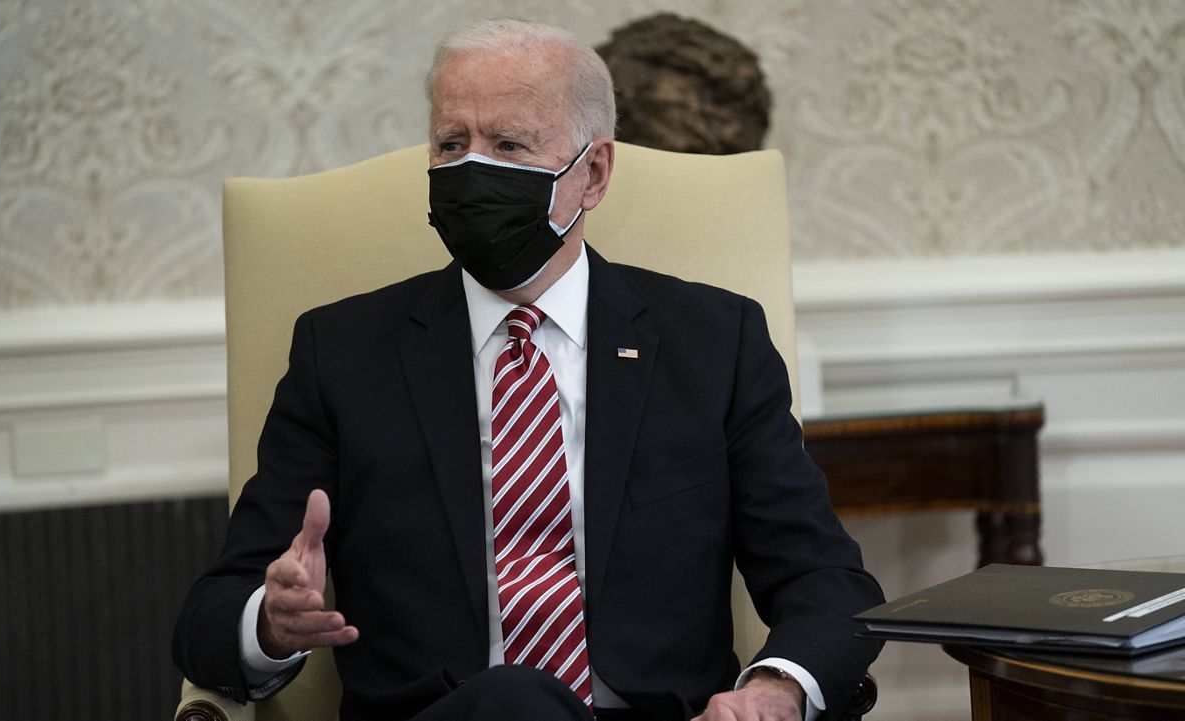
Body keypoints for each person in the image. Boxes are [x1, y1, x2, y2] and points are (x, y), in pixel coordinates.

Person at [173, 18, 883, 721]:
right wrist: (269, 622)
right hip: (450, 715)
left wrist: (773, 691)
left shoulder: (711, 343)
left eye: (508, 145)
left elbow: (826, 578)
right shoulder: (345, 352)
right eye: (452, 144)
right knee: (513, 697)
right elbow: (206, 620)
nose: (471, 169)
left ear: (593, 173)